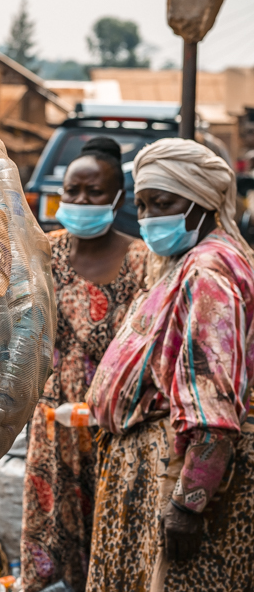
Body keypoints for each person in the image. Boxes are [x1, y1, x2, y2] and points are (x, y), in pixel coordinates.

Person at [86, 138, 254, 590]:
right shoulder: (183, 262)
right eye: (141, 206)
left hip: (173, 474)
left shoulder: (210, 270)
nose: (149, 219)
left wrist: (186, 504)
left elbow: (213, 406)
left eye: (162, 203)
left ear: (201, 202)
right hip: (148, 468)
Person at [19, 138, 148, 591]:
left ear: (118, 198)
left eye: (94, 192)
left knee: (110, 537)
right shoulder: (43, 252)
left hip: (113, 427)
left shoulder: (140, 261)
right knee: (50, 537)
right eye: (72, 191)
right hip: (51, 425)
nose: (79, 201)